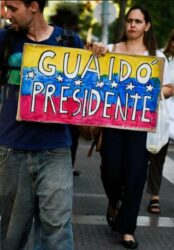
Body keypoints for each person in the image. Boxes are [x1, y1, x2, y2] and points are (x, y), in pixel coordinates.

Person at [0, 1, 84, 249]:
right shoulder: (3, 40)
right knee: (13, 232)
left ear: (34, 6)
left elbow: (87, 85)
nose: (7, 14)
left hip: (55, 150)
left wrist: (98, 57)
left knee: (57, 229)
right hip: (11, 150)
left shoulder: (69, 41)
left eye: (13, 8)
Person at [91, 6, 171, 249]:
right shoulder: (111, 50)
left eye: (138, 21)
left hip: (141, 127)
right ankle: (114, 202)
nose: (132, 25)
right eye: (129, 21)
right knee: (111, 170)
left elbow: (169, 88)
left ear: (147, 26)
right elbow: (92, 77)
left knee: (136, 176)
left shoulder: (156, 56)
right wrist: (96, 53)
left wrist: (155, 91)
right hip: (113, 123)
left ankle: (127, 229)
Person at [146, 29, 174, 214]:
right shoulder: (163, 59)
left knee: (159, 157)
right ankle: (154, 196)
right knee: (155, 155)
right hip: (161, 114)